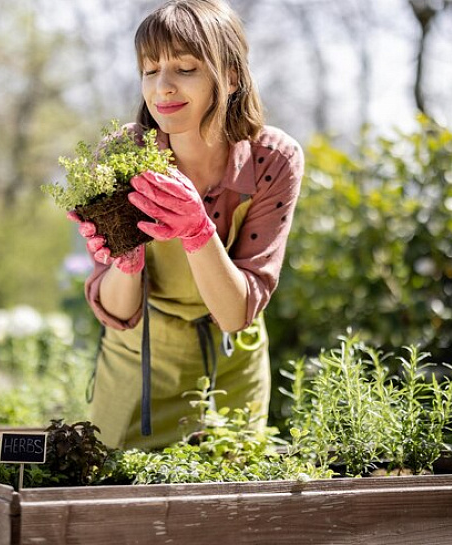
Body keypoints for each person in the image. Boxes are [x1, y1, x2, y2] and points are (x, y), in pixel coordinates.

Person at [68, 0, 304, 450]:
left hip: (230, 364)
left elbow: (236, 313)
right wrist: (127, 258)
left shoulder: (272, 160)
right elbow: (116, 312)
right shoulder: (122, 157)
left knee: (230, 498)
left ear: (231, 76)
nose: (163, 88)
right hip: (140, 358)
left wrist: (197, 230)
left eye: (186, 68)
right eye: (150, 70)